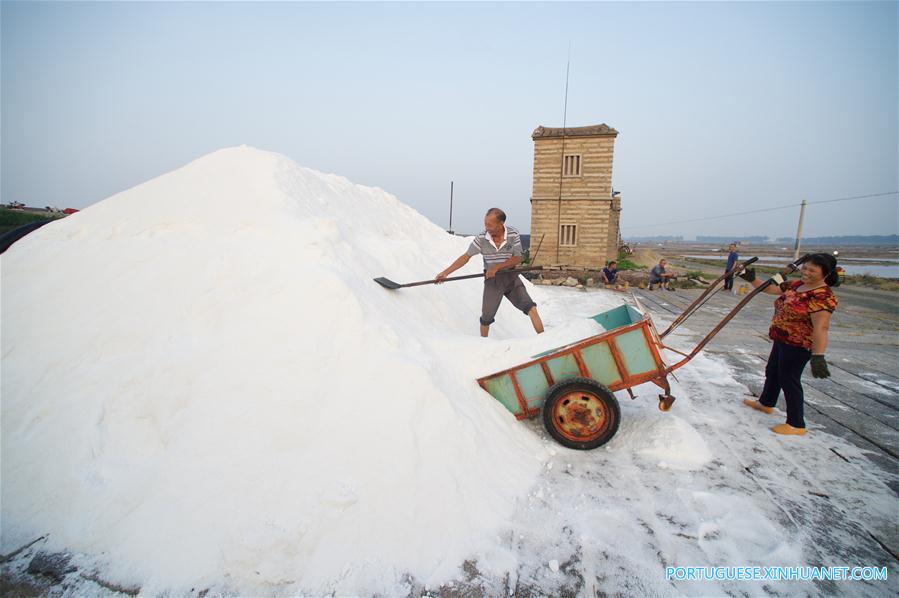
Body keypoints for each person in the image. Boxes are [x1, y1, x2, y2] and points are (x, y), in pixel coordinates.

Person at [741, 253, 840, 436]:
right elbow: (770, 289)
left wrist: (819, 356)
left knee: (789, 380)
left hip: (799, 345)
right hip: (781, 339)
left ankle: (796, 424)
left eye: (812, 270)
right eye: (805, 268)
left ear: (825, 273)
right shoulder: (796, 285)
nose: (806, 272)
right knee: (773, 371)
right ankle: (766, 403)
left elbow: (822, 327)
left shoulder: (821, 296)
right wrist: (751, 278)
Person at [436, 208, 544, 338]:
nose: (486, 227)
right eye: (485, 223)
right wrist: (446, 272)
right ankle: (484, 344)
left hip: (511, 277)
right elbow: (466, 257)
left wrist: (497, 267)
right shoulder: (482, 238)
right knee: (486, 319)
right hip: (493, 281)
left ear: (501, 224)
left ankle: (544, 340)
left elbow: (518, 257)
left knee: (531, 307)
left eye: (490, 224)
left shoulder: (512, 234)